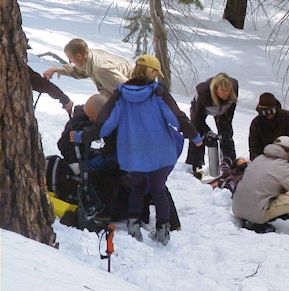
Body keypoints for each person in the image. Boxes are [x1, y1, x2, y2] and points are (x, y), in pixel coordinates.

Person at [74, 54, 202, 245]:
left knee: (137, 188)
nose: (157, 76)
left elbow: (106, 124)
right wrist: (195, 136)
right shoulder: (158, 93)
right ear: (150, 72)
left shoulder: (120, 94)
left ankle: (134, 228)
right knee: (158, 189)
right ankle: (163, 230)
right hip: (160, 152)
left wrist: (81, 137)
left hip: (133, 153)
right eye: (155, 72)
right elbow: (176, 118)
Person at [232, 136, 289, 233]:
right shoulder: (282, 166)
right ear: (288, 152)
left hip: (237, 209)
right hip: (257, 214)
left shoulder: (258, 159)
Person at [185, 72, 239, 178]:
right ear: (215, 89)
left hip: (223, 109)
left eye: (228, 91)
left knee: (226, 132)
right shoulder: (203, 93)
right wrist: (207, 132)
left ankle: (228, 161)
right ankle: (196, 164)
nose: (226, 93)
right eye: (223, 91)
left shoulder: (234, 88)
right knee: (198, 134)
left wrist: (224, 132)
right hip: (201, 110)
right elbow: (197, 119)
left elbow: (230, 115)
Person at [43, 38, 133, 98]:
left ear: (79, 56)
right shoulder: (87, 57)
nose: (70, 61)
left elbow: (129, 89)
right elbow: (78, 71)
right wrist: (56, 69)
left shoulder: (100, 69)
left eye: (70, 58)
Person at [249, 92, 289, 168]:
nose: (269, 115)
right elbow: (254, 148)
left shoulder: (288, 118)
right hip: (265, 163)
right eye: (265, 112)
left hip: (287, 162)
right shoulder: (256, 123)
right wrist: (260, 166)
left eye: (271, 111)